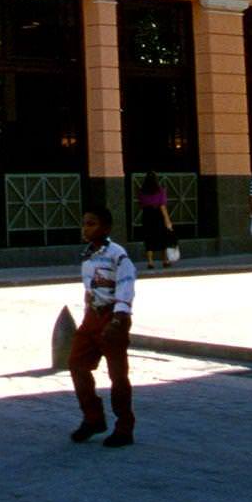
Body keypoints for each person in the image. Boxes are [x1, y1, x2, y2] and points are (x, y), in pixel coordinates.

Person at [68, 205, 136, 449]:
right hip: (92, 316)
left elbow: (126, 285)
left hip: (113, 318)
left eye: (92, 223)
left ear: (106, 227)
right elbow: (91, 286)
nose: (86, 228)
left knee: (117, 376)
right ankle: (93, 418)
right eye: (84, 223)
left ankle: (124, 427)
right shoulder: (87, 255)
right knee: (76, 364)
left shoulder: (118, 255)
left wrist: (118, 319)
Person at [135, 169, 173, 272]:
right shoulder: (160, 191)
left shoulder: (141, 191)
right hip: (158, 215)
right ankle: (165, 260)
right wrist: (167, 220)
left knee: (149, 237)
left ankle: (150, 262)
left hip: (147, 215)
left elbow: (141, 204)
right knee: (162, 237)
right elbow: (162, 206)